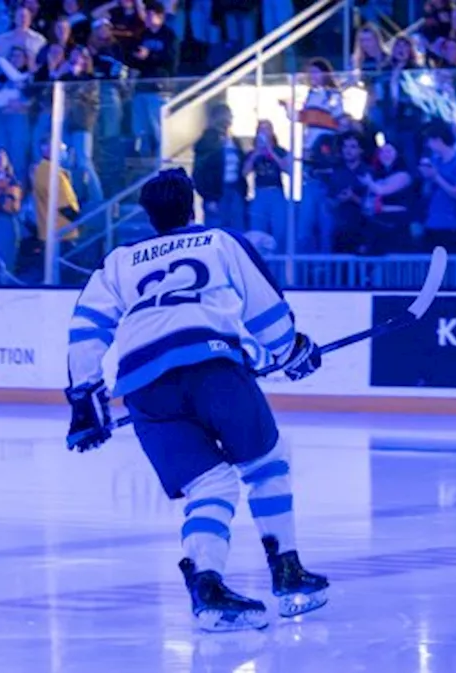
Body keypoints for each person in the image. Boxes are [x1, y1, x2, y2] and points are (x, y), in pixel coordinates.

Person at [63, 168, 330, 632]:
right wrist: (291, 351)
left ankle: (207, 586)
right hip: (213, 370)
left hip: (143, 388)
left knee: (211, 486)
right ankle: (287, 573)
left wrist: (85, 396)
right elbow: (265, 309)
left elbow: (86, 326)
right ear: (194, 205)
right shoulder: (219, 241)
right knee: (266, 464)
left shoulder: (120, 260)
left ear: (149, 217)